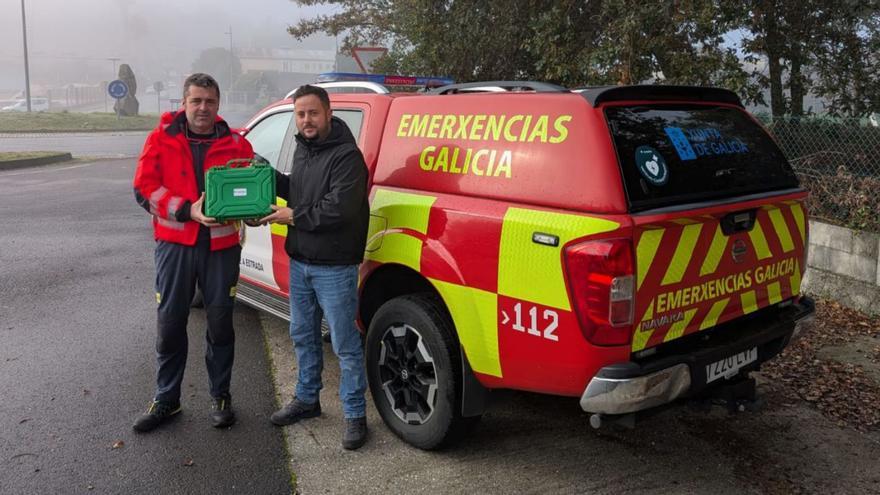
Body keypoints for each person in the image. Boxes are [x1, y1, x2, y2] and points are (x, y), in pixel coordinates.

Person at [132, 73, 253, 432]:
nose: (203, 108)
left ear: (218, 104)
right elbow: (144, 190)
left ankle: (221, 395)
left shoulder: (235, 142)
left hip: (221, 247)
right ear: (183, 103)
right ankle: (166, 398)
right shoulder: (161, 139)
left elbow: (251, 186)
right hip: (175, 246)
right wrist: (187, 210)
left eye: (210, 101)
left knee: (220, 323)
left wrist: (254, 210)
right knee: (170, 324)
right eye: (196, 101)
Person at [259, 84, 370, 450]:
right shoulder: (304, 151)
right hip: (301, 261)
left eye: (313, 113)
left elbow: (340, 208)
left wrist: (294, 216)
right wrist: (268, 175)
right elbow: (299, 193)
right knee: (302, 336)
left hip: (335, 266)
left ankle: (355, 415)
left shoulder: (347, 156)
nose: (306, 120)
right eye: (301, 114)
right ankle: (307, 400)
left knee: (345, 344)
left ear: (328, 113)